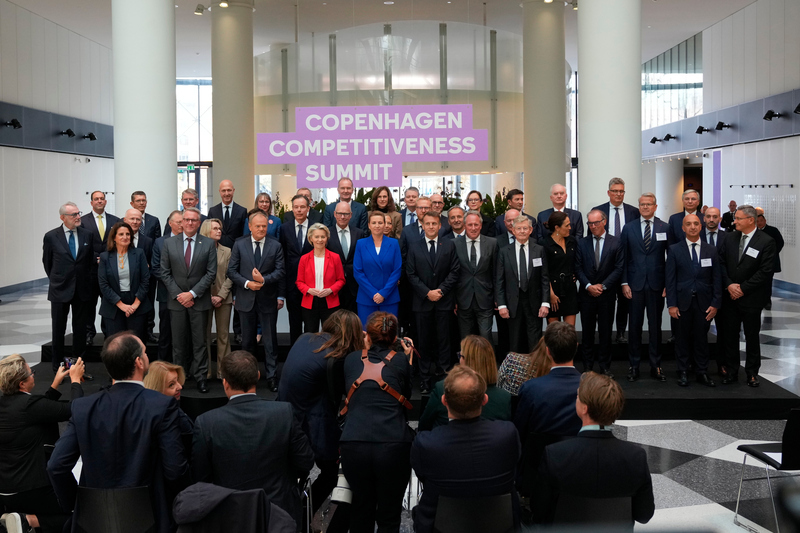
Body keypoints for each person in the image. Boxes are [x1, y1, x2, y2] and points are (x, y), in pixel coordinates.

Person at [47, 332, 190, 533]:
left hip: (93, 518)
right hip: (149, 515)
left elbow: (56, 466)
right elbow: (175, 469)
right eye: (145, 352)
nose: (147, 356)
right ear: (139, 362)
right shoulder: (161, 405)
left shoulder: (83, 407)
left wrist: (78, 503)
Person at [191, 350, 314, 524]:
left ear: (225, 382)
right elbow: (306, 461)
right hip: (279, 515)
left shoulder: (206, 423)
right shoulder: (283, 413)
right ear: (257, 376)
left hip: (230, 518)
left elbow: (200, 480)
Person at [532, 372, 655, 525]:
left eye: (578, 396)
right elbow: (644, 515)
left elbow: (539, 512)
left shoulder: (555, 455)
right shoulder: (636, 457)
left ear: (584, 408)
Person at [411, 366, 520, 533]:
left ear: (444, 401)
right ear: (485, 399)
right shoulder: (507, 434)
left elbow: (422, 476)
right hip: (500, 523)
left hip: (439, 525)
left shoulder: (427, 443)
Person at [277, 310, 365, 513]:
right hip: (310, 421)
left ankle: (296, 509)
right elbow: (349, 392)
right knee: (332, 471)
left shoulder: (305, 338)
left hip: (284, 414)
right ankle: (304, 513)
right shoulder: (336, 357)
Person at [339, 312, 415, 533]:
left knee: (360, 511)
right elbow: (406, 395)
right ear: (394, 338)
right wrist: (408, 359)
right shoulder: (400, 360)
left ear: (368, 336)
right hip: (393, 444)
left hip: (354, 442)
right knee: (389, 516)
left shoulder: (351, 359)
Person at [0, 355, 84, 533]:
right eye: (31, 373)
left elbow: (40, 411)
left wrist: (55, 385)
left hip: (6, 490)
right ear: (22, 384)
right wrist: (76, 381)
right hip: (34, 489)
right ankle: (28, 521)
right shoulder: (30, 406)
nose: (34, 375)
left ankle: (21, 521)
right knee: (83, 511)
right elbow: (76, 409)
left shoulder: (7, 405)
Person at [160, 207, 218, 393]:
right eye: (187, 219)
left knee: (200, 343)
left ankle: (201, 377)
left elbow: (211, 273)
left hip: (199, 301)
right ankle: (179, 378)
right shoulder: (169, 243)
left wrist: (192, 294)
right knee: (178, 344)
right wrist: (180, 295)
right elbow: (164, 272)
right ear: (181, 222)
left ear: (199, 223)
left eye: (194, 220)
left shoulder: (208, 244)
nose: (190, 223)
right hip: (176, 302)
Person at [718, 205, 776, 387]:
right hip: (730, 297)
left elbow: (765, 271)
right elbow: (720, 263)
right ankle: (732, 371)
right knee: (730, 336)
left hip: (752, 298)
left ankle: (752, 373)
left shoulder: (766, 241)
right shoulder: (729, 238)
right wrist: (729, 285)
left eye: (738, 219)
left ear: (751, 220)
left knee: (751, 336)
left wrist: (742, 289)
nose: (734, 221)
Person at [228, 211, 285, 392]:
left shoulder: (275, 245)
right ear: (250, 226)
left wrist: (263, 280)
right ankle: (248, 377)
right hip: (246, 299)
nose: (261, 229)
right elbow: (231, 271)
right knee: (247, 343)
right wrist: (247, 283)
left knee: (270, 342)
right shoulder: (239, 244)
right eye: (258, 226)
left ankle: (271, 377)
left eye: (264, 226)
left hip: (267, 300)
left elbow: (280, 271)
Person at [406, 211, 460, 393]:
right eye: (427, 223)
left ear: (440, 226)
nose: (431, 226)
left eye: (434, 223)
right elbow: (410, 274)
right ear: (423, 226)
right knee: (423, 341)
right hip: (422, 303)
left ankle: (444, 377)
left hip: (444, 302)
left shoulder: (449, 245)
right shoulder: (414, 247)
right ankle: (424, 379)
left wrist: (441, 291)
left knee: (444, 341)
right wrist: (427, 293)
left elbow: (454, 271)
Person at [666, 214, 721, 387]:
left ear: (701, 226)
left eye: (696, 223)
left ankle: (702, 371)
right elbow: (670, 279)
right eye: (688, 224)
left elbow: (717, 279)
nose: (692, 227)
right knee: (681, 338)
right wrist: (671, 304)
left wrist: (715, 303)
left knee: (701, 339)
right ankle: (682, 371)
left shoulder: (711, 250)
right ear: (683, 228)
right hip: (682, 302)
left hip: (704, 303)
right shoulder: (674, 250)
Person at [620, 193, 670, 383]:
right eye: (642, 204)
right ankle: (634, 365)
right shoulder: (629, 228)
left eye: (649, 204)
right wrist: (624, 282)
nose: (645, 207)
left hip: (657, 285)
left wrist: (668, 284)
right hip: (634, 285)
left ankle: (656, 365)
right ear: (639, 206)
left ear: (655, 207)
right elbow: (623, 258)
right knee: (634, 327)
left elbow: (671, 258)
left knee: (655, 327)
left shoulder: (665, 227)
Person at [42, 202, 95, 373]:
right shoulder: (51, 236)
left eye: (78, 213)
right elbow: (47, 263)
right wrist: (58, 279)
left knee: (80, 330)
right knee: (58, 329)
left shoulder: (87, 235)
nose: (78, 217)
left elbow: (89, 262)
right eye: (74, 215)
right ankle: (58, 366)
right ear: (62, 217)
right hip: (60, 289)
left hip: (82, 289)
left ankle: (78, 366)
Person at [419, 335, 512, 430]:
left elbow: (424, 425)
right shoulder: (504, 397)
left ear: (468, 361)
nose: (459, 360)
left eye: (461, 356)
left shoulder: (443, 389)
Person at [575, 209, 624, 376]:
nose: (593, 226)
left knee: (605, 332)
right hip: (586, 295)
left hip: (607, 295)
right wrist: (589, 286)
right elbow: (578, 268)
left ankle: (605, 367)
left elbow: (618, 268)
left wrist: (602, 286)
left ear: (604, 222)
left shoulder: (616, 242)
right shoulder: (582, 243)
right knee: (587, 333)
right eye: (590, 223)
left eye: (596, 223)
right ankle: (587, 367)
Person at [591, 177, 639, 344]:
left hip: (626, 261)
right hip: (605, 262)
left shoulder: (633, 212)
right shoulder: (598, 210)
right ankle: (604, 333)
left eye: (621, 191)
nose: (618, 194)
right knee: (605, 301)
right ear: (608, 192)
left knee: (625, 300)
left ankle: (620, 332)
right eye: (615, 191)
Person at [514, 322, 582, 438]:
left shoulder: (530, 388)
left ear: (548, 351)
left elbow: (519, 430)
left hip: (538, 449)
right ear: (576, 346)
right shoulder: (591, 387)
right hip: (579, 449)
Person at [496, 215, 550, 354]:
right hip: (512, 302)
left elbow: (544, 278)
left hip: (534, 302)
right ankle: (515, 367)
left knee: (535, 339)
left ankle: (535, 365)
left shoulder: (539, 250)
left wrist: (545, 303)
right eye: (519, 228)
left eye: (525, 228)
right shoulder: (504, 252)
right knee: (514, 340)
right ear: (513, 231)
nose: (522, 231)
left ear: (530, 230)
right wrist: (501, 305)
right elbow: (500, 280)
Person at [97, 221, 152, 342]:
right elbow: (103, 284)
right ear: (114, 238)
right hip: (113, 306)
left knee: (136, 343)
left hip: (137, 305)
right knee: (116, 344)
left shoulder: (139, 254)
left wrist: (135, 305)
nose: (125, 237)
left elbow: (145, 280)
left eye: (128, 234)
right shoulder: (105, 257)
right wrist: (121, 305)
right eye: (121, 234)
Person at [453, 211, 499, 342]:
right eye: (470, 225)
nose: (473, 228)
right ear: (464, 225)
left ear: (481, 225)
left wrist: (497, 298)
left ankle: (487, 357)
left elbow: (496, 273)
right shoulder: (454, 244)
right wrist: (454, 300)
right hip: (463, 299)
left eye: (476, 224)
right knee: (466, 339)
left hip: (485, 298)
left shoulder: (492, 243)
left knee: (486, 337)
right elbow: (452, 274)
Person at [81, 190, 120, 344]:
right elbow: (82, 245)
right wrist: (95, 257)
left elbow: (117, 243)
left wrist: (105, 258)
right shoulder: (83, 221)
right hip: (90, 271)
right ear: (91, 202)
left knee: (108, 304)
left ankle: (108, 334)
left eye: (102, 198)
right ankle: (88, 334)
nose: (99, 201)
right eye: (96, 199)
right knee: (89, 304)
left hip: (109, 270)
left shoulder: (115, 221)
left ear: (105, 201)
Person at [353, 211, 403, 325]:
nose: (377, 225)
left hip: (389, 297)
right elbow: (358, 272)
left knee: (387, 330)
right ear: (369, 225)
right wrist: (373, 293)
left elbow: (397, 270)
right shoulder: (361, 244)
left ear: (385, 224)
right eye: (374, 223)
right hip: (367, 297)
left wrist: (383, 293)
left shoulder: (394, 243)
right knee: (368, 331)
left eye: (380, 223)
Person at [296, 223, 346, 332]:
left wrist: (331, 290)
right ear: (311, 238)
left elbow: (341, 280)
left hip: (330, 300)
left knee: (330, 333)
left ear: (327, 238)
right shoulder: (304, 259)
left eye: (323, 237)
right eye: (316, 237)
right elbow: (299, 282)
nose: (320, 240)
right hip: (310, 301)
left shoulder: (335, 257)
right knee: (310, 332)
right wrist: (308, 290)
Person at [279, 194, 315, 344]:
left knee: (311, 323)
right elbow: (282, 256)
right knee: (294, 322)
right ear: (292, 209)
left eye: (302, 207)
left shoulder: (315, 227)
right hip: (292, 282)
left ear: (308, 209)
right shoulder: (284, 228)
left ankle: (311, 352)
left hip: (312, 284)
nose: (299, 210)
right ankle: (295, 352)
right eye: (296, 207)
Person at [199, 219, 233, 379]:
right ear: (207, 231)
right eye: (215, 228)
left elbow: (230, 275)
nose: (219, 231)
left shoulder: (227, 251)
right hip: (203, 298)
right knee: (203, 335)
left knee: (223, 335)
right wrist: (208, 295)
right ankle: (205, 371)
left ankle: (223, 372)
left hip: (223, 298)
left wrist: (220, 295)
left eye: (220, 228)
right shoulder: (198, 250)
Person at [151, 210, 183, 361]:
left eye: (184, 221)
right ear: (170, 224)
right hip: (166, 294)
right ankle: (163, 365)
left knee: (183, 333)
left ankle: (182, 366)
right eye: (179, 222)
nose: (182, 224)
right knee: (165, 332)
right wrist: (174, 285)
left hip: (187, 294)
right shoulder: (160, 242)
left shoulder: (190, 241)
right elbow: (156, 268)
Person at [326, 201, 365, 314]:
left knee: (352, 317)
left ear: (351, 215)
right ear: (334, 214)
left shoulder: (359, 233)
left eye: (346, 214)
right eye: (340, 213)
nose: (342, 217)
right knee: (334, 318)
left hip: (354, 283)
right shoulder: (327, 233)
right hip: (333, 283)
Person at [541, 211, 578, 326]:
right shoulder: (544, 244)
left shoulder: (572, 241)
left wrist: (575, 274)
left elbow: (576, 262)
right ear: (557, 227)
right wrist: (550, 294)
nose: (570, 228)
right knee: (554, 330)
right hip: (553, 290)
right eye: (567, 225)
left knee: (570, 330)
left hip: (569, 289)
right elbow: (544, 271)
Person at [143, 361, 194, 442]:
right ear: (157, 389)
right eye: (171, 385)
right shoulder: (172, 416)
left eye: (177, 380)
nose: (180, 387)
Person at [756, 207, 784, 310]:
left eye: (761, 221)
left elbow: (780, 243)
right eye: (757, 221)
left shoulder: (773, 230)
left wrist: (772, 254)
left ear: (765, 221)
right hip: (757, 262)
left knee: (768, 281)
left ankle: (767, 301)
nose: (759, 223)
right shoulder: (754, 232)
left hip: (770, 261)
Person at [207, 180, 247, 249]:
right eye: (223, 191)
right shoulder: (213, 211)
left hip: (236, 250)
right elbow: (208, 232)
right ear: (219, 191)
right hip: (217, 250)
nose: (226, 193)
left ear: (233, 191)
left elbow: (244, 235)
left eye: (229, 190)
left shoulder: (242, 211)